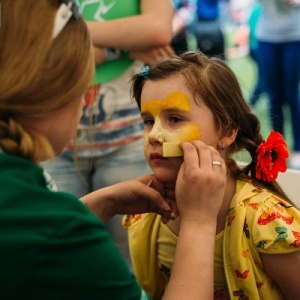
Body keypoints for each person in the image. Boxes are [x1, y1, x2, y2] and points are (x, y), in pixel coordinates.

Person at [0, 1, 229, 298]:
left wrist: (96, 206)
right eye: (83, 85)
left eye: (174, 119)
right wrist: (198, 223)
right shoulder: (53, 226)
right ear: (53, 88)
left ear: (227, 129)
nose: (84, 102)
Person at [124, 51, 300, 299]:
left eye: (174, 119)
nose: (154, 134)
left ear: (226, 131)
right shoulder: (146, 213)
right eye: (148, 121)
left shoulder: (266, 222)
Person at [42, 0, 175, 267]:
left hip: (128, 141)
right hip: (52, 144)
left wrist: (63, 33)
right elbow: (30, 46)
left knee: (132, 258)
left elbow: (157, 31)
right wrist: (123, 45)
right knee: (55, 254)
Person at [256, 0, 300, 169]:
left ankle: (297, 147)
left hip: (294, 36)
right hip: (267, 37)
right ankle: (278, 146)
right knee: (274, 95)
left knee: (291, 94)